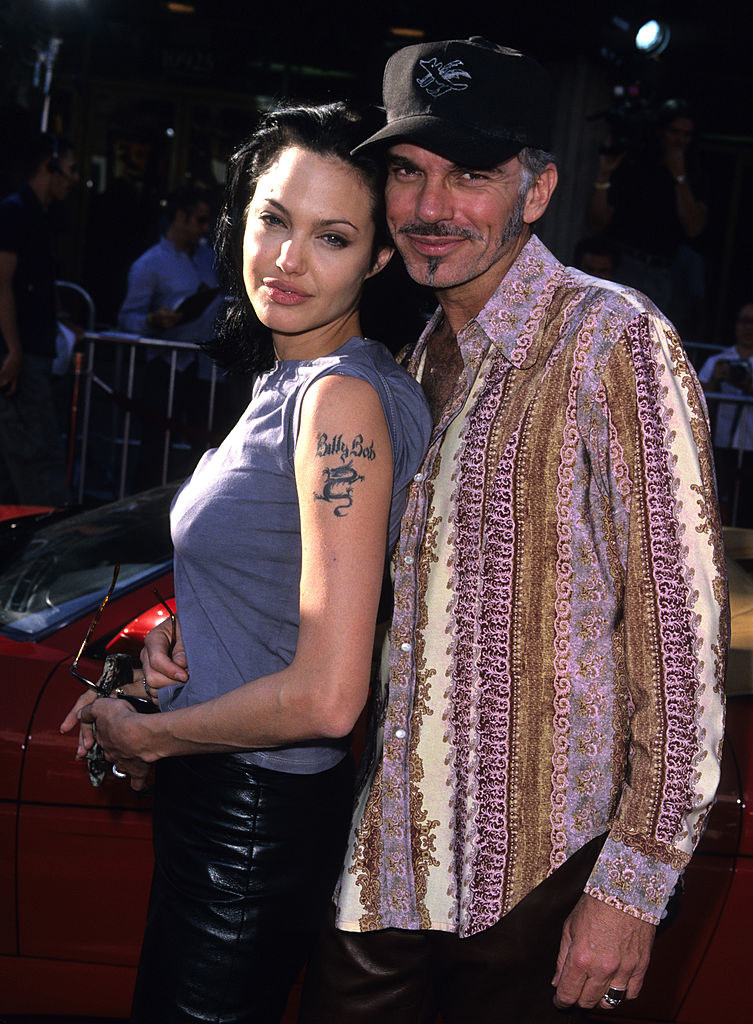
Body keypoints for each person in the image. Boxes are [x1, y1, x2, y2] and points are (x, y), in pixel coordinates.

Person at [297, 38, 728, 1024]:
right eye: (409, 171)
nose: (431, 206)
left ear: (536, 192)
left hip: (540, 884)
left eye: (472, 175)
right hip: (385, 872)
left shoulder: (611, 340)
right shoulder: (405, 365)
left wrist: (631, 887)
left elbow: (679, 640)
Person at [61, 102, 432, 1023]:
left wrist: (143, 734)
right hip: (239, 806)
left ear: (380, 258)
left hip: (249, 821)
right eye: (273, 219)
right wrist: (183, 635)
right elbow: (294, 580)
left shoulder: (339, 402)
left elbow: (326, 696)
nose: (286, 260)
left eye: (333, 237)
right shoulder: (312, 379)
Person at [118, 183, 226, 487]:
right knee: (155, 446)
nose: (206, 229)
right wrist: (154, 320)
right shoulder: (149, 264)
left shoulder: (209, 259)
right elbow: (127, 318)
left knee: (204, 447)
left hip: (205, 368)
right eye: (201, 220)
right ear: (181, 217)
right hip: (165, 365)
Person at [0, 132, 79, 505]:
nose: (75, 179)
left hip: (31, 350)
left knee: (23, 459)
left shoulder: (38, 216)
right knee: (37, 461)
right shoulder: (16, 212)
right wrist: (13, 351)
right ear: (49, 168)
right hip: (21, 354)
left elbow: (38, 284)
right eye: (70, 170)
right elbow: (2, 285)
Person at [587, 98, 708, 339]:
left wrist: (679, 177)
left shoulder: (695, 172)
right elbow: (597, 222)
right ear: (662, 132)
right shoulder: (636, 163)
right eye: (675, 132)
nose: (680, 140)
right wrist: (604, 173)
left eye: (686, 134)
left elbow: (694, 227)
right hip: (625, 265)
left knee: (650, 344)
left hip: (665, 273)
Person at [699, 302, 753, 524]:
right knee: (715, 500)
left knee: (747, 505)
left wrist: (743, 383)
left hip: (750, 444)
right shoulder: (717, 361)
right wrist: (716, 380)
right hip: (720, 443)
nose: (749, 328)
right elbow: (698, 396)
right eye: (744, 321)